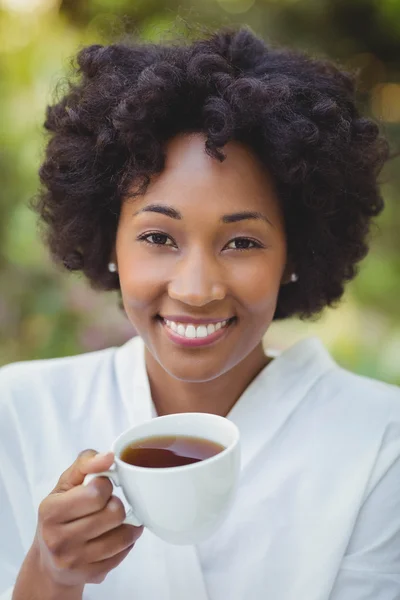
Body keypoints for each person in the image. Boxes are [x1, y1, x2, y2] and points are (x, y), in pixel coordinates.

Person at [0, 24, 399, 600]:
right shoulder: (19, 413)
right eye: (159, 237)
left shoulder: (382, 443)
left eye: (242, 243)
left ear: (297, 252)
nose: (196, 288)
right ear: (109, 241)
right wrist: (52, 576)